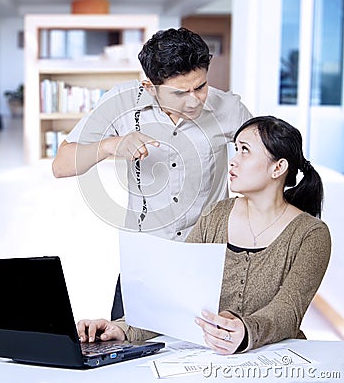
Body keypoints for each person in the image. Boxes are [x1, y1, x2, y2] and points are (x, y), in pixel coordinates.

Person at [76, 116, 331, 354]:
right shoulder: (217, 215)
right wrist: (121, 327)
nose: (233, 160)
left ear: (278, 168)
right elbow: (176, 295)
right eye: (235, 149)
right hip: (208, 359)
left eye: (245, 150)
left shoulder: (311, 234)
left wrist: (244, 333)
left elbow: (288, 310)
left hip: (280, 359)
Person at [52, 27, 252, 319]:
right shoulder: (121, 102)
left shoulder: (229, 108)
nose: (194, 100)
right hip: (143, 260)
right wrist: (112, 145)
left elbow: (269, 159)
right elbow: (61, 165)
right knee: (126, 348)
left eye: (201, 86)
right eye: (180, 92)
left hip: (208, 262)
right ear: (149, 86)